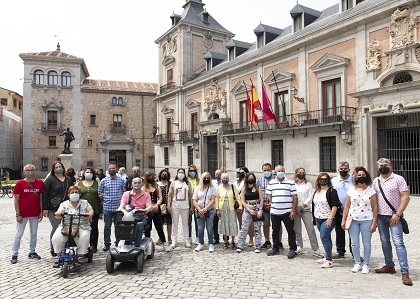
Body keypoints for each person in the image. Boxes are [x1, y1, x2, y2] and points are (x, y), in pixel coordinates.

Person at [372, 158, 412, 286]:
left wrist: (398, 214)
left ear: (391, 166)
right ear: (377, 167)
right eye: (381, 165)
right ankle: (389, 265)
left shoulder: (398, 179)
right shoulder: (376, 181)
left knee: (398, 243)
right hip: (381, 217)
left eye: (386, 165)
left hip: (395, 217)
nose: (383, 167)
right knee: (384, 241)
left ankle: (405, 272)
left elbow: (406, 197)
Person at [341, 166, 378, 274]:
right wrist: (343, 219)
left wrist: (374, 223)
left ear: (366, 176)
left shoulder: (371, 191)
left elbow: (375, 208)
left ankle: (366, 263)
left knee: (366, 243)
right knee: (354, 242)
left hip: (367, 219)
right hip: (353, 220)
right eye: (359, 175)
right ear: (355, 177)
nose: (361, 177)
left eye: (363, 175)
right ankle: (357, 262)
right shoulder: (351, 189)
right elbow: (347, 206)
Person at [11, 164, 44, 264]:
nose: (30, 171)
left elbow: (41, 198)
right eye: (28, 170)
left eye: (32, 170)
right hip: (23, 214)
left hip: (34, 213)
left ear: (34, 171)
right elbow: (16, 200)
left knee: (33, 234)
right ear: (24, 172)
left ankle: (32, 252)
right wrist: (18, 214)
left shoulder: (39, 183)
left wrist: (41, 211)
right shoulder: (20, 183)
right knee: (18, 234)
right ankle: (14, 253)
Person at [52, 185, 94, 264]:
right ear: (68, 195)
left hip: (82, 225)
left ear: (79, 194)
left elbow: (91, 211)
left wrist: (89, 214)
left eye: (76, 192)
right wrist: (58, 213)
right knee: (56, 238)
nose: (74, 194)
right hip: (66, 225)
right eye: (72, 193)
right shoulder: (64, 204)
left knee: (84, 237)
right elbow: (59, 212)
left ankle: (81, 256)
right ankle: (60, 255)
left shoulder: (85, 203)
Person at [266, 165, 298, 259]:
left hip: (287, 211)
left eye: (282, 171)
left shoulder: (290, 183)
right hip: (275, 211)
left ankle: (292, 249)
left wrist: (293, 210)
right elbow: (269, 194)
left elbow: (295, 197)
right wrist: (274, 202)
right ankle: (276, 247)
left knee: (290, 231)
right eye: (278, 171)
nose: (280, 172)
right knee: (275, 231)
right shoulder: (271, 183)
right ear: (275, 172)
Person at [43, 161, 72, 256]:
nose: (59, 168)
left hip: (67, 207)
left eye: (60, 166)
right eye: (57, 167)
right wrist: (45, 208)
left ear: (63, 168)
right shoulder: (50, 179)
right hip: (53, 208)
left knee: (66, 228)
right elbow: (45, 194)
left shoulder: (68, 179)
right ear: (53, 169)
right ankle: (54, 248)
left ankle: (64, 247)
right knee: (56, 228)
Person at [312, 173, 341, 268]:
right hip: (318, 217)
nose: (323, 181)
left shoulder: (332, 191)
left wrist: (330, 218)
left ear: (328, 180)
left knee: (323, 236)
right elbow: (314, 205)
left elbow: (335, 206)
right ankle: (327, 256)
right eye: (321, 179)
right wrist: (313, 217)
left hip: (328, 218)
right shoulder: (317, 191)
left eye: (325, 179)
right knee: (327, 237)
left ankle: (329, 260)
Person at [293, 167, 323, 258]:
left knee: (310, 229)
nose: (302, 174)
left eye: (303, 172)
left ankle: (315, 249)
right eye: (300, 172)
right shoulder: (292, 184)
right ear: (296, 173)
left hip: (305, 209)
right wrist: (295, 208)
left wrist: (302, 206)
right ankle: (299, 246)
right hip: (295, 209)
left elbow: (310, 197)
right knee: (297, 229)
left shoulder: (308, 184)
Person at [117, 177, 152, 247]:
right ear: (132, 184)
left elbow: (149, 206)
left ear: (142, 184)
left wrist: (145, 210)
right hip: (129, 217)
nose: (137, 184)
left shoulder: (146, 195)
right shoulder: (126, 194)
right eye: (135, 183)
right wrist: (119, 209)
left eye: (139, 183)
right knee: (120, 224)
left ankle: (137, 245)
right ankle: (125, 242)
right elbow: (122, 205)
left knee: (139, 224)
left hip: (141, 217)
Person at [98, 163, 125, 251]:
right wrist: (103, 198)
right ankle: (107, 243)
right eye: (110, 169)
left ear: (116, 169)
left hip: (118, 208)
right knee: (107, 226)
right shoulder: (104, 181)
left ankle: (118, 242)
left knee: (118, 226)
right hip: (107, 207)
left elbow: (124, 192)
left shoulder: (121, 180)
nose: (112, 170)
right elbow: (99, 192)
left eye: (113, 168)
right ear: (107, 170)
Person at [236, 173, 263, 253]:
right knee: (244, 227)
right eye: (249, 178)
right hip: (248, 207)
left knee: (257, 228)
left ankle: (257, 246)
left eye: (252, 178)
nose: (250, 180)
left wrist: (260, 210)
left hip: (257, 207)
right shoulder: (244, 188)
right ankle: (240, 245)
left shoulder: (258, 188)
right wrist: (248, 209)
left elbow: (261, 199)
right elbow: (242, 201)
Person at [143, 172, 170, 251]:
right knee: (148, 227)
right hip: (148, 209)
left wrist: (157, 205)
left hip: (156, 208)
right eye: (149, 177)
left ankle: (164, 243)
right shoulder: (144, 188)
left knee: (159, 226)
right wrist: (149, 206)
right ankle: (147, 245)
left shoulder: (156, 187)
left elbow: (160, 198)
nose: (151, 178)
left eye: (152, 176)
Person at [256, 163, 281, 249]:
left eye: (268, 170)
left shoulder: (276, 179)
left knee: (277, 225)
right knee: (266, 225)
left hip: (275, 205)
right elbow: (257, 193)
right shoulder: (259, 180)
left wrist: (272, 203)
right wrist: (263, 204)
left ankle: (279, 241)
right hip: (264, 206)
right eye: (264, 170)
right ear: (262, 171)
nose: (266, 171)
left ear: (271, 170)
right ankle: (267, 241)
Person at [78, 167, 102, 253]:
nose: (88, 173)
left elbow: (100, 193)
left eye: (90, 172)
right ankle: (83, 244)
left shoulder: (97, 182)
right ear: (84, 174)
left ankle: (93, 245)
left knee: (94, 226)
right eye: (87, 172)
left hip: (95, 207)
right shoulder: (79, 183)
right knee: (83, 226)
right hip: (82, 208)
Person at [331, 161, 352, 259]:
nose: (343, 171)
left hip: (351, 210)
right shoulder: (334, 181)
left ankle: (354, 251)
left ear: (349, 170)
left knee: (352, 231)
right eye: (341, 169)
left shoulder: (354, 180)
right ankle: (340, 250)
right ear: (338, 170)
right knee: (339, 230)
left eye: (345, 169)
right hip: (338, 210)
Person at [168, 168, 193, 249]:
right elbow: (170, 194)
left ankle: (186, 240)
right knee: (175, 224)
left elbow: (190, 196)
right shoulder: (173, 183)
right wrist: (169, 205)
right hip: (175, 206)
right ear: (177, 173)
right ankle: (174, 240)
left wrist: (191, 206)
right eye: (179, 172)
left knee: (185, 224)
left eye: (182, 172)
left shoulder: (187, 184)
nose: (181, 174)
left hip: (185, 206)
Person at [215, 173, 241, 249]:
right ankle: (226, 241)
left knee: (232, 223)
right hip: (222, 208)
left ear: (228, 178)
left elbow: (237, 197)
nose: (224, 179)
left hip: (231, 207)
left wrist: (240, 206)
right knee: (224, 224)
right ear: (221, 179)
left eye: (226, 178)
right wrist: (217, 209)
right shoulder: (219, 188)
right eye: (223, 178)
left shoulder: (233, 186)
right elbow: (216, 199)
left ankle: (233, 241)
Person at [192, 172, 216, 252]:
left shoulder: (212, 188)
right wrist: (200, 210)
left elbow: (212, 200)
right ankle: (200, 243)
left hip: (209, 210)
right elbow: (194, 200)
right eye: (205, 178)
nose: (206, 179)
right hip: (199, 210)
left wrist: (205, 209)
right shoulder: (197, 188)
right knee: (200, 228)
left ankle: (211, 243)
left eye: (208, 178)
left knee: (209, 228)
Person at [235, 167, 254, 247]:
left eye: (243, 172)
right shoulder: (236, 182)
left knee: (249, 223)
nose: (241, 174)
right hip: (238, 204)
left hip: (246, 203)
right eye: (240, 172)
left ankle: (251, 239)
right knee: (241, 222)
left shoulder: (248, 183)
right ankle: (242, 239)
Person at [157, 168, 172, 245]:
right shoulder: (157, 184)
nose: (164, 175)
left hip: (168, 205)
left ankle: (169, 238)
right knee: (160, 223)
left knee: (169, 222)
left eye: (166, 174)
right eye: (163, 174)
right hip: (159, 205)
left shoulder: (170, 184)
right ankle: (161, 238)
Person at [187, 164, 199, 244]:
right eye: (190, 171)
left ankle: (198, 237)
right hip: (188, 202)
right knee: (188, 221)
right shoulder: (186, 180)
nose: (192, 172)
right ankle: (189, 237)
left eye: (193, 171)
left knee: (197, 221)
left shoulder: (198, 180)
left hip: (197, 203)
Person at [212, 169, 223, 244]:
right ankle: (216, 238)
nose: (218, 176)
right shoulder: (212, 183)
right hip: (214, 206)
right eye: (216, 174)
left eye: (219, 174)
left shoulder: (225, 183)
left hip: (223, 206)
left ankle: (226, 239)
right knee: (214, 223)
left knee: (224, 222)